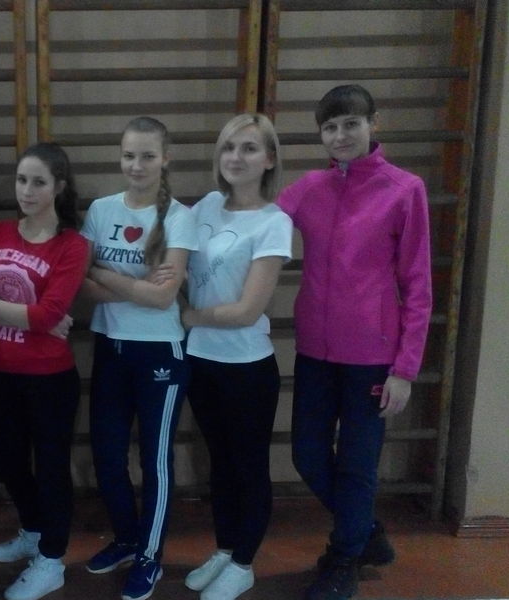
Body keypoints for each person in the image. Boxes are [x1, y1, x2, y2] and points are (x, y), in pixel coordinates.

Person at [277, 84, 432, 600]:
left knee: (357, 465)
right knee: (308, 455)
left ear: (373, 124)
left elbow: (418, 285)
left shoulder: (404, 190)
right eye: (330, 127)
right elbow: (255, 223)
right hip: (314, 354)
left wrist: (405, 369)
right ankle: (364, 530)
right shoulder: (309, 188)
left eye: (350, 124)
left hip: (373, 358)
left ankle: (343, 558)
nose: (340, 135)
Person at [80, 116, 197, 600]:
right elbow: (81, 284)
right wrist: (136, 285)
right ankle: (127, 539)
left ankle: (150, 555)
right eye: (129, 155)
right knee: (107, 455)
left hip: (160, 353)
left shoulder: (180, 217)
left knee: (155, 460)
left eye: (148, 156)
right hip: (110, 347)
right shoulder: (101, 210)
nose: (137, 165)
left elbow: (163, 298)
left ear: (165, 158)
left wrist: (106, 273)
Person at [0, 143, 88, 600]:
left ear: (59, 187)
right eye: (22, 180)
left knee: (52, 468)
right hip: (3, 373)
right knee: (8, 463)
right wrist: (32, 317)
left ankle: (52, 560)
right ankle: (35, 530)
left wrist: (9, 308)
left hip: (51, 379)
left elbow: (45, 312)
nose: (28, 190)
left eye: (39, 182)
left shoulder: (71, 245)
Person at [180, 114, 291, 600]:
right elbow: (177, 260)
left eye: (248, 148)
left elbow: (248, 310)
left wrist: (190, 317)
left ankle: (244, 562)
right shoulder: (205, 206)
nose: (236, 157)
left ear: (269, 159)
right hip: (201, 361)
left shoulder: (274, 222)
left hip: (246, 368)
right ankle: (225, 550)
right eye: (228, 147)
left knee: (247, 467)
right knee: (219, 464)